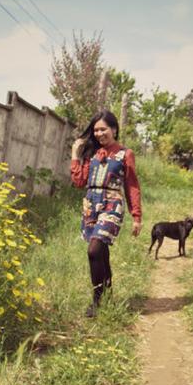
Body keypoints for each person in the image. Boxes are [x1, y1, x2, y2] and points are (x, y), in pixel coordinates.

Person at [71, 110, 142, 317]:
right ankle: (107, 294)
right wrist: (76, 154)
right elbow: (78, 182)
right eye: (95, 130)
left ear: (114, 129)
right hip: (91, 205)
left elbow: (132, 185)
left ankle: (97, 301)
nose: (99, 134)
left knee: (94, 250)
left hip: (112, 204)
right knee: (101, 251)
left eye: (103, 129)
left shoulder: (124, 154)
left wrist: (136, 216)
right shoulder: (90, 153)